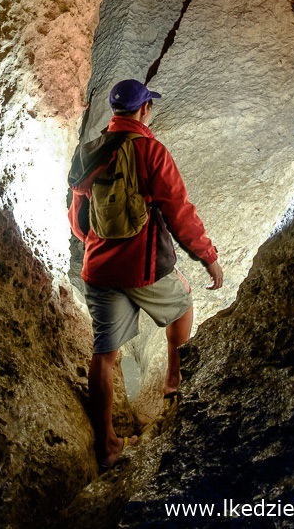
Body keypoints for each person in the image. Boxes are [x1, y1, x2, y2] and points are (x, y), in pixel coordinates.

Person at [68, 78, 225, 469]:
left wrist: (100, 243)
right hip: (145, 267)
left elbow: (77, 222)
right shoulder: (151, 151)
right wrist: (208, 256)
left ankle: (106, 446)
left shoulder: (89, 151)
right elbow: (179, 212)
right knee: (183, 304)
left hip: (98, 270)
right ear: (144, 110)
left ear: (114, 111)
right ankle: (174, 378)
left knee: (104, 355)